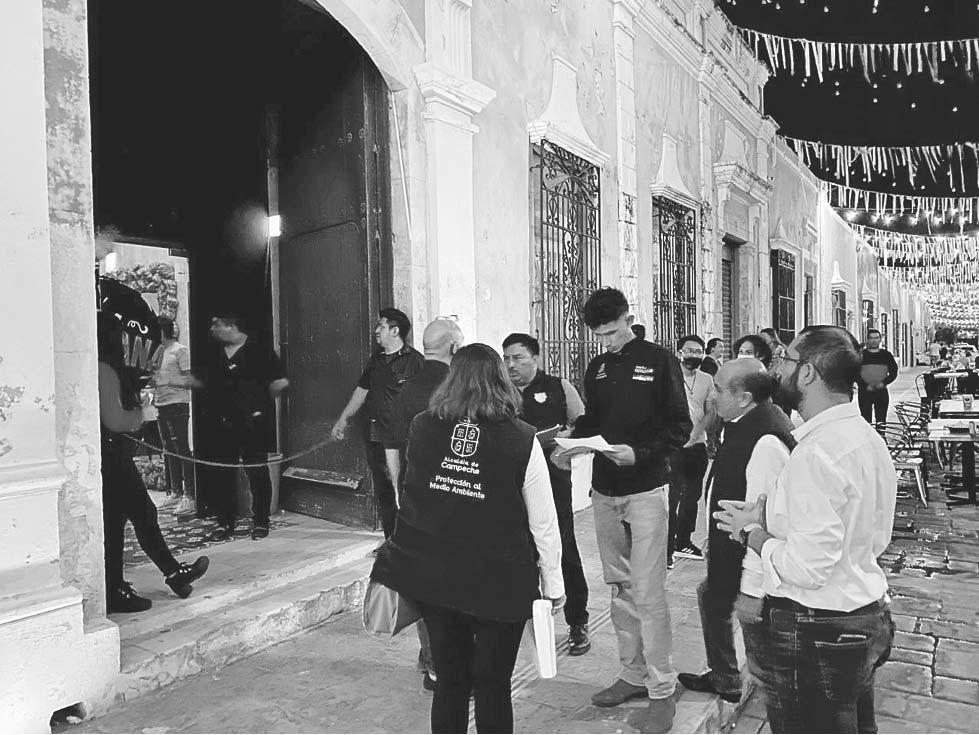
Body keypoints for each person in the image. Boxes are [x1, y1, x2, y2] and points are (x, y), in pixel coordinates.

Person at [370, 344, 564, 734]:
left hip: (438, 576)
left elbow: (412, 495)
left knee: (451, 682)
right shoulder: (521, 438)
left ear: (451, 380)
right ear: (500, 381)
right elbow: (543, 520)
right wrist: (553, 582)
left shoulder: (422, 427)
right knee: (493, 685)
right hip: (500, 579)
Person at [714, 325, 896, 734]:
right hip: (862, 614)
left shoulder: (818, 453)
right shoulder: (865, 438)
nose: (777, 370)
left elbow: (807, 568)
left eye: (786, 360)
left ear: (809, 372)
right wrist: (771, 518)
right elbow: (869, 535)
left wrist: (751, 532)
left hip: (818, 628)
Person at [551, 287, 691, 734]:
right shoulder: (599, 367)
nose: (607, 342)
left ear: (629, 319)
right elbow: (595, 421)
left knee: (648, 592)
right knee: (619, 589)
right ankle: (632, 674)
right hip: (604, 491)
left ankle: (662, 689)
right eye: (599, 336)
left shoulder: (660, 360)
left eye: (612, 332)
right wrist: (571, 444)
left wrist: (641, 454)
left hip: (646, 489)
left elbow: (680, 426)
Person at [677, 358, 794, 704]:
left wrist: (752, 583)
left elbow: (762, 512)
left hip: (748, 551)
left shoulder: (765, 439)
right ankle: (727, 675)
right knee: (711, 596)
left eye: (718, 389)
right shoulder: (746, 422)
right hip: (731, 543)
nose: (712, 396)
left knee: (728, 606)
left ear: (744, 398)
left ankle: (737, 680)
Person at [97, 311, 209, 613]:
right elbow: (115, 420)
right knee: (139, 514)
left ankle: (157, 578)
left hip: (111, 455)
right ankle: (151, 579)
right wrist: (141, 416)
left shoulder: (104, 366)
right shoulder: (104, 369)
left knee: (122, 520)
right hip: (113, 455)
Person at [381, 318, 465, 692]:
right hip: (452, 500)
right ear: (454, 348)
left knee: (423, 580)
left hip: (414, 500)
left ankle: (428, 656)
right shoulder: (458, 389)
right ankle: (440, 665)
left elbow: (390, 445)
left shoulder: (406, 388)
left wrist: (399, 491)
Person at [502, 332, 590, 656]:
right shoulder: (499, 391)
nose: (511, 365)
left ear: (535, 359)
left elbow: (582, 424)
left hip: (553, 482)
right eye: (506, 358)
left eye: (518, 358)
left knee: (562, 549)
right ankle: (525, 626)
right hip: (511, 487)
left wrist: (564, 441)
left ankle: (577, 621)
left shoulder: (558, 387)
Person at [332, 308, 424, 538]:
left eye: (381, 326)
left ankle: (409, 540)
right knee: (384, 490)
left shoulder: (415, 362)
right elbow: (362, 391)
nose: (376, 330)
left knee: (403, 489)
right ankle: (391, 539)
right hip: (375, 435)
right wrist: (343, 418)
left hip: (401, 439)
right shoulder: (376, 361)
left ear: (395, 330)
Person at [198, 313, 289, 541]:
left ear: (231, 326)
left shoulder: (260, 350)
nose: (213, 329)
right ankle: (224, 522)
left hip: (253, 423)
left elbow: (281, 380)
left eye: (217, 325)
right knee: (222, 474)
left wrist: (262, 401)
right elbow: (205, 381)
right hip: (223, 423)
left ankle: (261, 521)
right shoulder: (214, 353)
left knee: (257, 472)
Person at [667, 335, 712, 566]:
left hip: (697, 446)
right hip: (673, 448)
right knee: (671, 497)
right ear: (679, 352)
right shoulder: (668, 378)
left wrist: (696, 434)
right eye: (689, 350)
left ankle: (683, 541)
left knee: (692, 497)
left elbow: (711, 411)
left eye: (698, 351)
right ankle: (667, 548)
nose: (694, 355)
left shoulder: (707, 379)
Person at [153, 316, 198, 517]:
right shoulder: (158, 352)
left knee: (181, 448)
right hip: (161, 404)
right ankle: (175, 491)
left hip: (177, 404)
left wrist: (169, 381)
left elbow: (189, 380)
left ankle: (190, 495)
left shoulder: (180, 350)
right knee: (168, 449)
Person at [857, 328, 899, 428]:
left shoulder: (886, 355)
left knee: (881, 420)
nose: (874, 340)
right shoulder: (860, 356)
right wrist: (865, 385)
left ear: (880, 339)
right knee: (866, 421)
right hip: (865, 392)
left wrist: (883, 383)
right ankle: (867, 437)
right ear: (867, 340)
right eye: (871, 338)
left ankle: (881, 437)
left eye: (876, 338)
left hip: (881, 391)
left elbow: (893, 372)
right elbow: (855, 373)